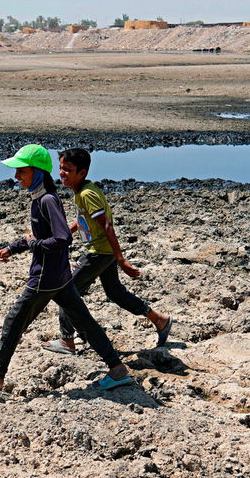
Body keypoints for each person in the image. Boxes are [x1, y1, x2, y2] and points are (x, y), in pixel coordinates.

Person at [0, 144, 133, 396]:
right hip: (60, 276)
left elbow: (63, 238)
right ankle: (117, 370)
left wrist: (33, 244)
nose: (16, 176)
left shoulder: (47, 200)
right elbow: (39, 235)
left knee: (14, 321)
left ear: (38, 172)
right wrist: (14, 247)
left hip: (45, 277)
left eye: (21, 170)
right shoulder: (41, 198)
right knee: (83, 321)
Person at [42, 147, 172, 355]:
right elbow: (83, 219)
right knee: (115, 293)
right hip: (104, 251)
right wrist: (65, 235)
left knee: (65, 291)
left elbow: (107, 225)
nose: (62, 173)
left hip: (100, 252)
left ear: (82, 172)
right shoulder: (82, 191)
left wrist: (121, 260)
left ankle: (67, 341)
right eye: (60, 168)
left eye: (67, 169)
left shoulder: (87, 194)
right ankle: (159, 320)